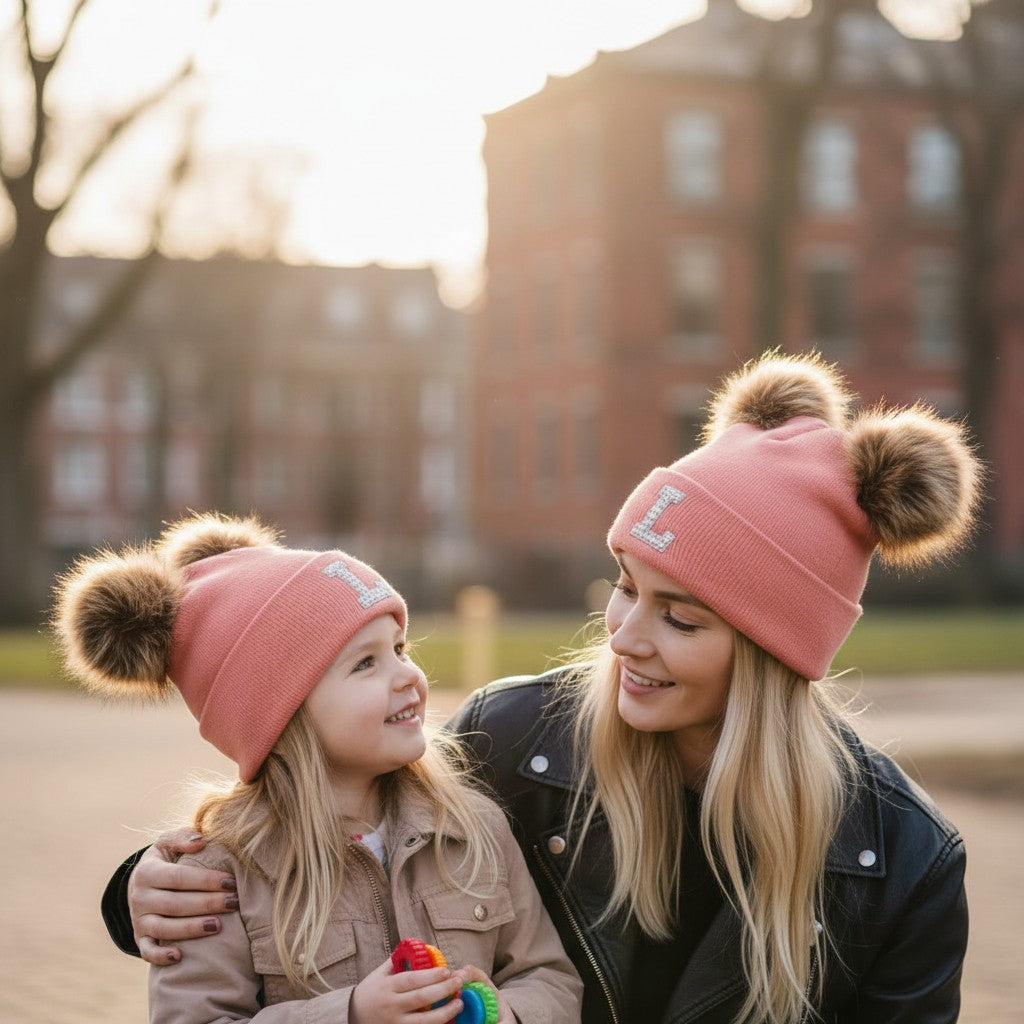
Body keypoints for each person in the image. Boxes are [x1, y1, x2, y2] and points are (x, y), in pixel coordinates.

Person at [99, 353, 978, 1023]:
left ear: (775, 651)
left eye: (681, 618)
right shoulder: (517, 737)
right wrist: (147, 887)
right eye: (626, 585)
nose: (623, 636)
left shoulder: (899, 865)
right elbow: (333, 798)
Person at [54, 513, 582, 1024]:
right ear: (282, 715)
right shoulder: (214, 875)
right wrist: (350, 1015)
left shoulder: (473, 826)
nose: (407, 676)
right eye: (365, 663)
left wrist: (508, 1014)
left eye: (399, 648)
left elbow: (550, 977)